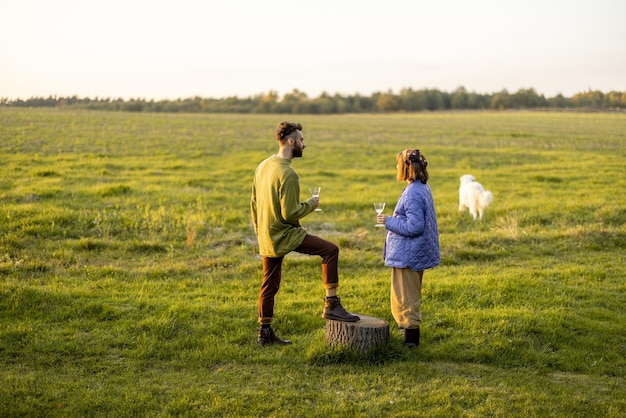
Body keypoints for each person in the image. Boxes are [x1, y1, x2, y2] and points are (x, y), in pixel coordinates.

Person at [251, 121, 359, 346]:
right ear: (291, 142)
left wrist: (259, 231)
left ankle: (265, 332)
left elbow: (253, 203)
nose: (304, 144)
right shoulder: (288, 174)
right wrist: (311, 204)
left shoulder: (263, 166)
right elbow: (290, 213)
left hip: (267, 234)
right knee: (330, 250)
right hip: (284, 233)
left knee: (269, 284)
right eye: (301, 140)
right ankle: (332, 304)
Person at [377, 148, 440, 347]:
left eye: (398, 164)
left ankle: (410, 343)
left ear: (407, 167)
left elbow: (415, 226)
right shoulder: (421, 186)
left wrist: (388, 221)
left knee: (406, 298)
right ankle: (409, 337)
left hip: (408, 254)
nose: (396, 167)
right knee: (408, 296)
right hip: (413, 252)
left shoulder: (413, 192)